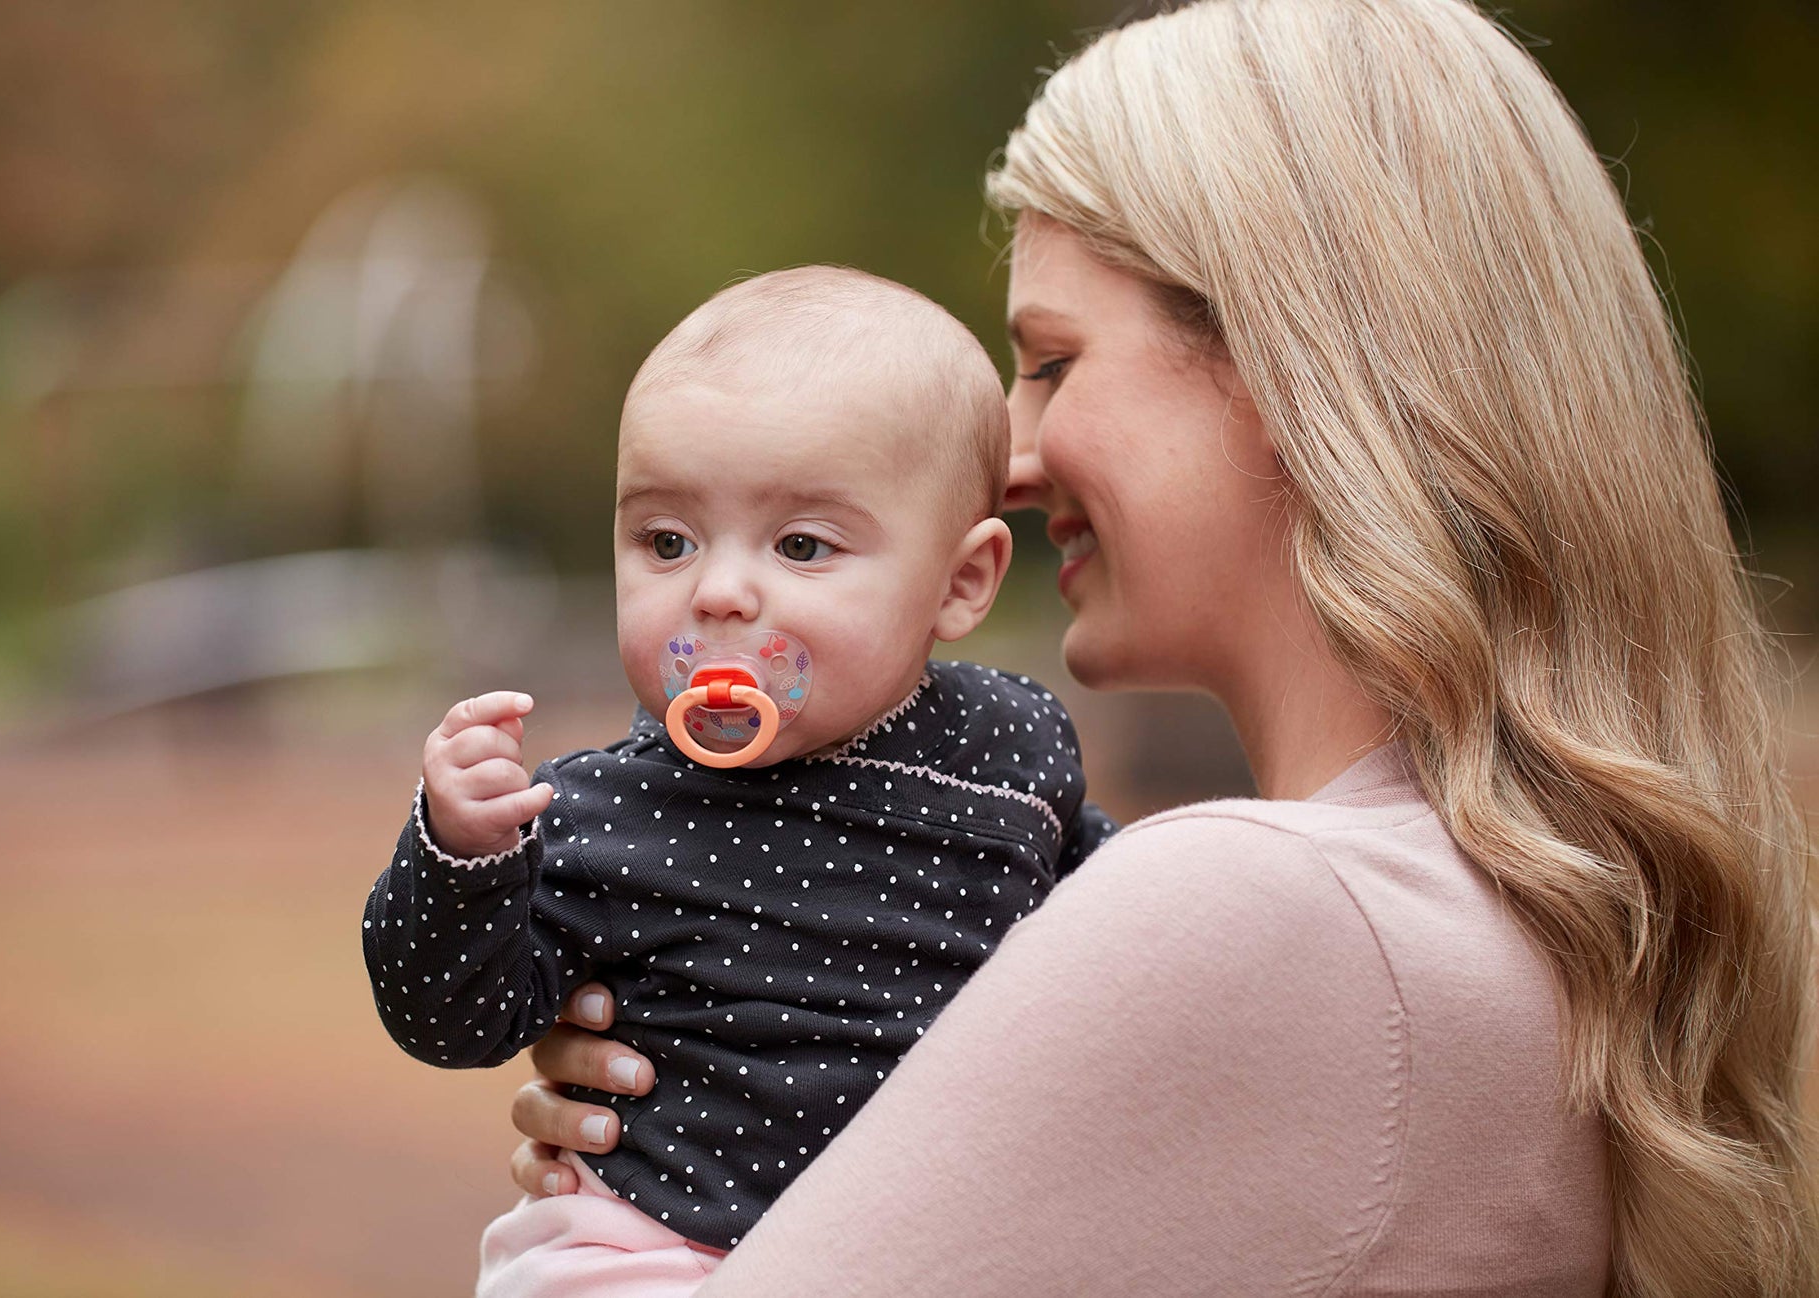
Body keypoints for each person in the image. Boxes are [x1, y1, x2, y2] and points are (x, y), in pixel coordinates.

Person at [503, 1, 1819, 1293]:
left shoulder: (1268, 911)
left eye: (1054, 364)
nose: (1008, 458)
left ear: (1289, 361)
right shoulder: (1528, 912)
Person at [362, 265, 1118, 1292]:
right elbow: (449, 1018)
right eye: (666, 540)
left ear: (959, 580)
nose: (716, 591)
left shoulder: (1012, 752)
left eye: (800, 544)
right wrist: (460, 851)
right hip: (654, 1243)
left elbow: (1113, 931)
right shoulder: (592, 813)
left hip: (940, 1246)